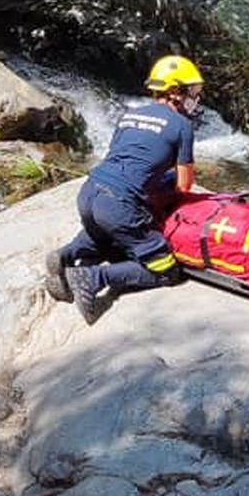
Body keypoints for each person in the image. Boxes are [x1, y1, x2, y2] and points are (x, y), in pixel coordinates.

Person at [44, 55, 204, 325]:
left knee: (107, 237)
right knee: (166, 270)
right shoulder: (182, 126)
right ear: (175, 92)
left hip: (89, 193)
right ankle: (94, 278)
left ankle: (66, 255)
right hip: (118, 204)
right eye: (193, 91)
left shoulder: (130, 114)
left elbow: (121, 157)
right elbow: (185, 184)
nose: (196, 98)